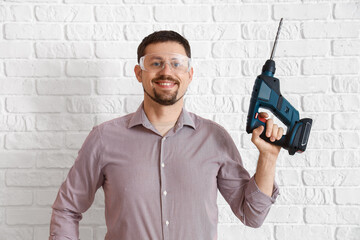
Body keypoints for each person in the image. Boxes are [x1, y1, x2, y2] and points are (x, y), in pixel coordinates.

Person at [49, 30, 283, 240]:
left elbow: (252, 215)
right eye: (156, 63)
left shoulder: (215, 138)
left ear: (190, 74)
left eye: (176, 63)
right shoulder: (104, 138)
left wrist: (268, 158)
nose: (166, 72)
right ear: (139, 73)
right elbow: (67, 209)